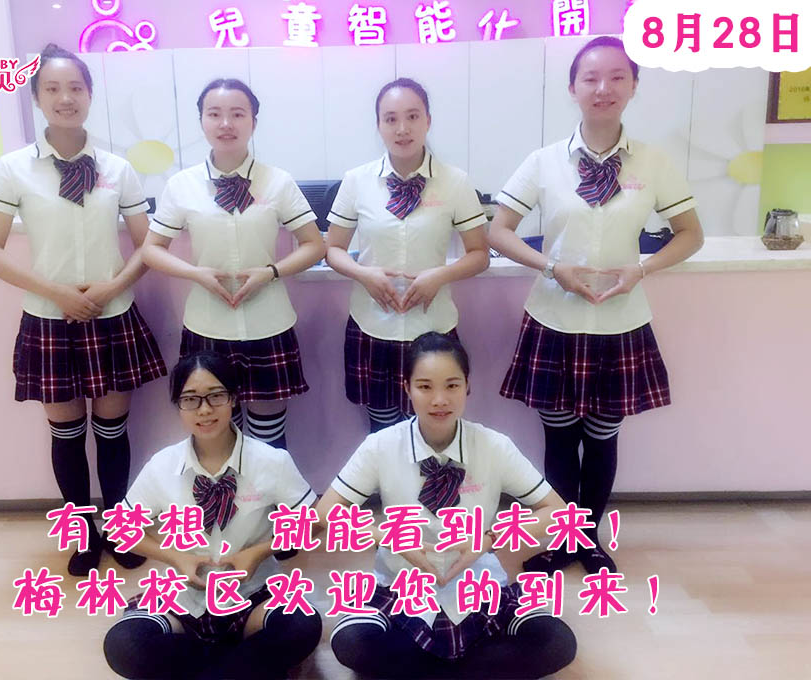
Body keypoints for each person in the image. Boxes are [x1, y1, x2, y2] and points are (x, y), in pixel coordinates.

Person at [488, 36, 704, 575]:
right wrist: (550, 266)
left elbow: (690, 234)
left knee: (602, 438)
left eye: (616, 77)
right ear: (573, 88)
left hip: (620, 323)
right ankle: (561, 540)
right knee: (560, 439)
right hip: (554, 319)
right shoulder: (544, 162)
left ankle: (587, 539)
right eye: (590, 77)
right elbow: (498, 230)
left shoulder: (653, 162)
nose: (603, 88)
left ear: (633, 86)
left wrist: (642, 269)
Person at [0, 43, 165, 575]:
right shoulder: (14, 168)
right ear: (36, 98)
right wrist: (59, 293)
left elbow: (148, 246)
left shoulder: (117, 168)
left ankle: (120, 530)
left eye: (76, 87)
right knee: (66, 434)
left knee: (113, 430)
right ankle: (82, 536)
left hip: (112, 314)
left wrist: (109, 288)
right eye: (53, 88)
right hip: (49, 318)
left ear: (90, 94)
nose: (65, 97)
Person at [318, 332, 576, 679]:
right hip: (400, 582)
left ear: (467, 386)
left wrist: (488, 539)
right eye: (425, 387)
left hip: (478, 583)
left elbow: (557, 512)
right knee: (350, 643)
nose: (439, 400)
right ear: (407, 387)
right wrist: (389, 536)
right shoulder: (381, 445)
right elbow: (324, 514)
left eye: (452, 385)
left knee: (557, 643)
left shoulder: (493, 446)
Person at [102, 351, 322, 680]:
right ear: (178, 405)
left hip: (254, 594)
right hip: (181, 598)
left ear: (233, 398)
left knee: (303, 625)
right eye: (191, 399)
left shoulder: (271, 461)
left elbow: (313, 522)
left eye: (216, 396)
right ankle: (239, 668)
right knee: (123, 645)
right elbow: (120, 531)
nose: (204, 409)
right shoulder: (163, 465)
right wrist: (175, 557)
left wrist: (257, 553)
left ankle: (215, 667)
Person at [142, 78, 325, 451]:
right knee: (216, 433)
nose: (226, 123)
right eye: (215, 114)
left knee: (269, 439)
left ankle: (267, 492)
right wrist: (195, 274)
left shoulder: (278, 182)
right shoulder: (183, 184)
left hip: (268, 323)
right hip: (207, 324)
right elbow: (151, 249)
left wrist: (270, 273)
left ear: (253, 122)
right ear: (202, 121)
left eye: (238, 114)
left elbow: (315, 244)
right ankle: (225, 491)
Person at [325, 78, 489, 433]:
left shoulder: (455, 182)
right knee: (383, 431)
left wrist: (439, 275)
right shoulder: (357, 181)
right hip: (373, 324)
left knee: (433, 426)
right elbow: (333, 249)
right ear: (379, 125)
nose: (402, 128)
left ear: (428, 120)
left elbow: (479, 254)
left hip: (433, 326)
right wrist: (363, 273)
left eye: (413, 116)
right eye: (391, 119)